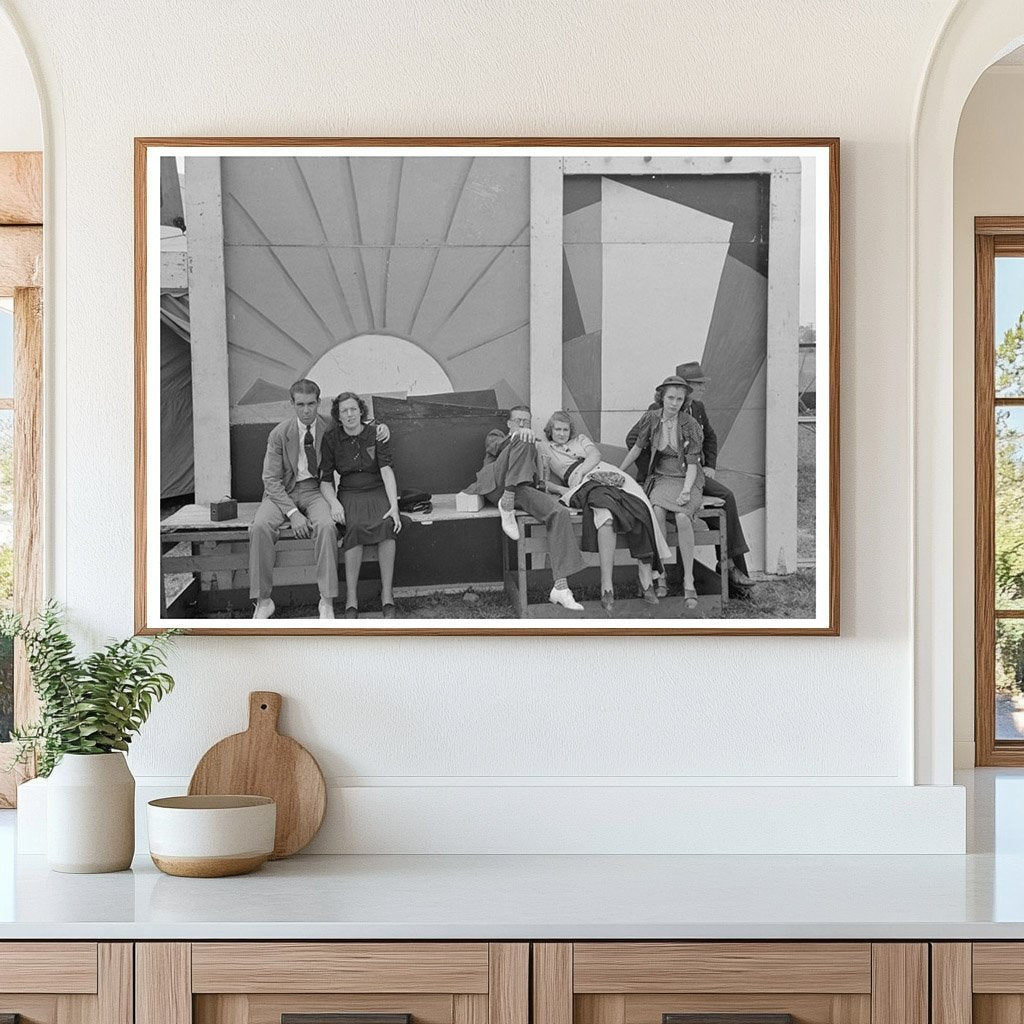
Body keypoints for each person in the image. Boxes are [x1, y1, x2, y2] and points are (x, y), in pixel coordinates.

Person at [249, 378, 389, 620]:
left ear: (318, 403)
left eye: (311, 404)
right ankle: (263, 601)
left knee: (326, 527)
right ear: (292, 404)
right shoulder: (279, 434)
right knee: (259, 527)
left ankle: (326, 601)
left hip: (315, 490)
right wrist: (293, 514)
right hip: (282, 493)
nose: (306, 410)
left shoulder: (329, 427)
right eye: (300, 404)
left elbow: (355, 420)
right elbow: (270, 480)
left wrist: (380, 426)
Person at [538, 411, 671, 612]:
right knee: (606, 513)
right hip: (582, 482)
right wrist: (563, 487)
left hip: (604, 472)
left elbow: (595, 455)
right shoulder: (543, 446)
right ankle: (607, 586)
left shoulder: (581, 439)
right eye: (558, 429)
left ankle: (647, 577)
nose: (562, 433)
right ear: (550, 429)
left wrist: (583, 473)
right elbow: (542, 478)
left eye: (565, 429)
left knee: (640, 507)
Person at [464, 405, 587, 611]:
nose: (522, 424)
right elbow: (496, 447)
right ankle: (507, 500)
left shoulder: (532, 444)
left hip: (520, 488)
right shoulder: (496, 435)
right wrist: (520, 434)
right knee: (523, 439)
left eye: (526, 421)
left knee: (559, 512)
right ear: (509, 423)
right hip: (497, 486)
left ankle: (561, 587)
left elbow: (534, 476)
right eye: (518, 421)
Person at [620, 376, 704, 610]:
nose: (674, 403)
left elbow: (693, 463)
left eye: (679, 399)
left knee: (681, 517)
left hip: (687, 477)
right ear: (661, 398)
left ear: (684, 400)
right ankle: (661, 574)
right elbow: (637, 447)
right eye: (670, 398)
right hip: (661, 476)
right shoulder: (651, 418)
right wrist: (619, 472)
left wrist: (687, 491)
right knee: (656, 510)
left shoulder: (690, 425)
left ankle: (689, 579)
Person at [319, 392, 403, 619]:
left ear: (361, 411)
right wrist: (334, 503)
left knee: (387, 525)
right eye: (344, 411)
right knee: (353, 526)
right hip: (350, 492)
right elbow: (325, 480)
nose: (349, 415)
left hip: (376, 489)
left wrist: (394, 506)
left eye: (353, 409)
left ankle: (387, 595)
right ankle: (351, 598)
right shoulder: (331, 439)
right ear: (338, 415)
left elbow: (386, 470)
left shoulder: (376, 433)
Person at [673, 360, 755, 592]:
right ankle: (729, 570)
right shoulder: (661, 408)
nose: (703, 388)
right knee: (722, 505)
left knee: (725, 502)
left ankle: (729, 569)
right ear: (685, 386)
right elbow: (638, 441)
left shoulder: (697, 408)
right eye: (699, 384)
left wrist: (710, 465)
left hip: (696, 474)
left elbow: (710, 437)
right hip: (672, 478)